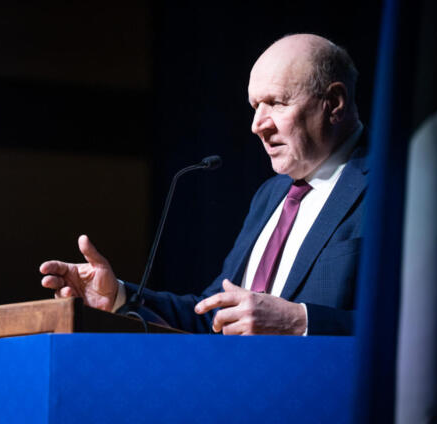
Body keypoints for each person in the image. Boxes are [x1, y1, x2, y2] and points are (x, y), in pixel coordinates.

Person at [40, 33, 366, 335]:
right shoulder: (271, 195)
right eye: (255, 106)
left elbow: (399, 329)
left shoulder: (388, 190)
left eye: (277, 103)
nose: (257, 125)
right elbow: (214, 317)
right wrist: (119, 297)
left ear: (334, 102)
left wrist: (299, 321)